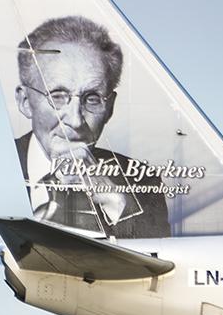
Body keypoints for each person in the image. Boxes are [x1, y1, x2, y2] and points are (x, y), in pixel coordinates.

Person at [12, 15, 169, 239]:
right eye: (57, 96)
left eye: (92, 99)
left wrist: (116, 201)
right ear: (25, 101)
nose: (75, 121)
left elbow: (160, 254)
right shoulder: (0, 166)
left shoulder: (141, 180)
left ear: (110, 107)